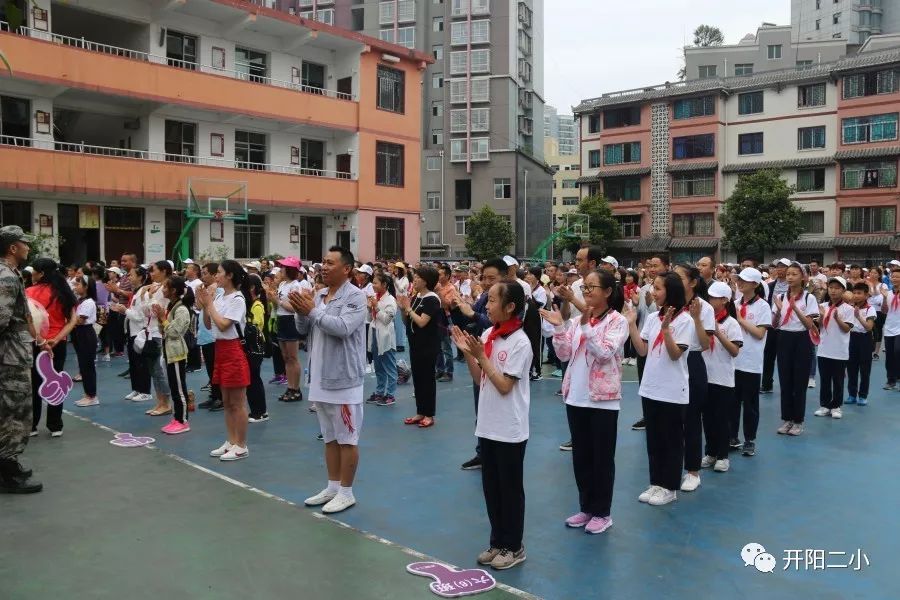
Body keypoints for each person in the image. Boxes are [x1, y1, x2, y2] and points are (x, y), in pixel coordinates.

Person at [451, 280, 531, 570]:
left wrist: (481, 356)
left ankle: (514, 546)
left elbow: (504, 385)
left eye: (493, 300)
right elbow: (479, 378)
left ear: (510, 307)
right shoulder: (489, 334)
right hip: (487, 425)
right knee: (492, 488)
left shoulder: (520, 342)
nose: (486, 305)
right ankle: (497, 541)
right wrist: (469, 354)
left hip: (509, 428)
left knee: (510, 490)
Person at [542, 270, 627, 535]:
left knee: (602, 459)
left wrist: (588, 326)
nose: (587, 291)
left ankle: (603, 512)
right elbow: (564, 353)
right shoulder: (579, 320)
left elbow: (604, 353)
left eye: (592, 287)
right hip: (576, 397)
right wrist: (559, 327)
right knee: (581, 458)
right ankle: (587, 507)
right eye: (585, 287)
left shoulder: (617, 321)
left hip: (602, 400)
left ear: (608, 292)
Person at [291, 246, 367, 514]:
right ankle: (333, 486)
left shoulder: (356, 297)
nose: (323, 266)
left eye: (329, 262)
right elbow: (305, 330)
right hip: (321, 377)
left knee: (347, 438)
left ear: (346, 269)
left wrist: (312, 311)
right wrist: (301, 312)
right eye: (322, 261)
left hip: (344, 379)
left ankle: (347, 491)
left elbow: (343, 329)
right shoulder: (319, 295)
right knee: (330, 437)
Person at [624, 272, 692, 507]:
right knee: (654, 439)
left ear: (671, 291)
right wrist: (632, 324)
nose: (653, 293)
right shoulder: (653, 317)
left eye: (659, 288)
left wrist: (666, 331)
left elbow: (675, 354)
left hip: (672, 391)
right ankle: (656, 482)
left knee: (671, 440)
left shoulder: (685, 320)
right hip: (650, 388)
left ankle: (670, 487)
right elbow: (642, 350)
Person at [450, 257, 505, 471]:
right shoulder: (484, 296)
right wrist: (459, 307)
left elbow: (500, 324)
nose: (487, 281)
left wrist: (472, 313)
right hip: (479, 352)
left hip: (497, 357)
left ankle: (494, 452)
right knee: (480, 405)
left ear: (505, 276)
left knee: (497, 404)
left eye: (492, 278)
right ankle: (483, 452)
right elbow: (473, 319)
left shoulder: (511, 298)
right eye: (484, 277)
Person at [0, 226, 44, 493]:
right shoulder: (6, 277)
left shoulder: (10, 273)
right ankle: (8, 470)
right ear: (12, 248)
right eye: (24, 243)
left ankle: (8, 464)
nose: (28, 247)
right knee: (15, 414)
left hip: (13, 353)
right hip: (10, 358)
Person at [197, 260, 251, 461]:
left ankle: (242, 445)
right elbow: (209, 323)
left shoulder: (238, 299)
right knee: (227, 402)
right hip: (220, 349)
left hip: (233, 350)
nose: (215, 276)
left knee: (237, 402)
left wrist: (209, 304)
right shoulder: (220, 296)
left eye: (219, 272)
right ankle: (231, 441)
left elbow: (223, 324)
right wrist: (205, 306)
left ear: (229, 275)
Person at [673, 264, 714, 493]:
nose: (675, 280)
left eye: (679, 277)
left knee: (691, 418)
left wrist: (697, 319)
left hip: (693, 360)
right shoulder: (671, 305)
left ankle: (692, 471)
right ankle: (669, 470)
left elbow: (706, 343)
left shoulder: (704, 307)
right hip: (671, 360)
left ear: (693, 282)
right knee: (671, 419)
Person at [26, 259, 78, 436]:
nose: (32, 274)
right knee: (55, 381)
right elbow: (72, 320)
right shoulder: (64, 292)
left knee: (34, 383)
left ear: (41, 273)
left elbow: (28, 321)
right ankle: (55, 425)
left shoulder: (28, 292)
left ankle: (32, 425)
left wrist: (40, 340)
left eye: (34, 271)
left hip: (34, 343)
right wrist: (56, 339)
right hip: (58, 343)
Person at [700, 281, 743, 473]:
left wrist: (718, 333)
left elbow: (735, 351)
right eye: (709, 297)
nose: (710, 300)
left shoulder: (731, 323)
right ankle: (710, 452)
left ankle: (723, 455)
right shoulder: (703, 319)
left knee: (721, 419)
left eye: (714, 298)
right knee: (707, 418)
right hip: (704, 376)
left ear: (725, 300)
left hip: (723, 378)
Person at [773, 262, 820, 436]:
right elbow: (774, 324)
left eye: (794, 274)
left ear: (803, 277)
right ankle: (787, 419)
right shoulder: (782, 297)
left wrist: (795, 309)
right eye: (788, 274)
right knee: (785, 381)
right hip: (784, 337)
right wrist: (779, 310)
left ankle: (798, 421)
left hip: (801, 340)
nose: (790, 277)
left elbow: (810, 325)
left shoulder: (809, 298)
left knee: (799, 383)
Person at [731, 268, 771, 457]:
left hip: (751, 363)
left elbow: (760, 333)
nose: (740, 283)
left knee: (750, 404)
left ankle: (749, 439)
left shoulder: (762, 306)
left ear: (755, 284)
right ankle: (732, 436)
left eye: (745, 281)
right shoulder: (734, 303)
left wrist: (740, 320)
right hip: (733, 361)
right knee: (732, 402)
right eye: (739, 280)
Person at [399, 266, 441, 429]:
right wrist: (404, 310)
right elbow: (408, 321)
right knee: (418, 378)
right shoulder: (416, 297)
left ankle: (429, 414)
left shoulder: (432, 299)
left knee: (427, 380)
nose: (414, 280)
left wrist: (409, 308)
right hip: (415, 343)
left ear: (426, 280)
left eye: (417, 277)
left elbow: (422, 322)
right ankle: (420, 411)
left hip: (427, 345)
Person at [631, 254, 670, 431]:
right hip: (644, 339)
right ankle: (647, 415)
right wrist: (637, 304)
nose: (651, 269)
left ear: (666, 267)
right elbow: (640, 315)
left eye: (656, 265)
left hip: (661, 341)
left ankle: (660, 415)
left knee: (660, 378)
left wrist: (650, 304)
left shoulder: (669, 289)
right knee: (644, 380)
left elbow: (663, 313)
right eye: (649, 266)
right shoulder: (644, 288)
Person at [153, 276, 194, 434]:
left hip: (177, 354)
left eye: (165, 287)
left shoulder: (182, 309)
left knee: (179, 389)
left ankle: (183, 421)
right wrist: (160, 318)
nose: (162, 290)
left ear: (174, 290)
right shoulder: (172, 305)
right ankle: (177, 417)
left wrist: (163, 319)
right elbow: (164, 329)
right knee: (174, 387)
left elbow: (175, 332)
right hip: (170, 352)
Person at [813, 277, 854, 420]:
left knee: (837, 380)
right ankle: (824, 405)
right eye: (831, 288)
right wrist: (820, 318)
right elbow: (818, 327)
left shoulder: (848, 309)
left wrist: (837, 319)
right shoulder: (823, 306)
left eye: (837, 288)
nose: (833, 291)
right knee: (824, 379)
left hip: (839, 351)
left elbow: (846, 329)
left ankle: (836, 406)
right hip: (824, 349)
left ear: (843, 290)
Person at [138, 261, 173, 417]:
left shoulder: (167, 288)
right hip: (150, 331)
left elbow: (159, 311)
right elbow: (145, 312)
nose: (151, 274)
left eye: (154, 271)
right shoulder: (155, 287)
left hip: (159, 331)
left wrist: (150, 296)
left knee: (158, 369)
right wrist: (143, 295)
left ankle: (166, 403)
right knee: (152, 369)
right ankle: (160, 402)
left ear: (164, 271)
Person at [274, 257, 309, 403]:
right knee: (285, 357)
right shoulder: (282, 284)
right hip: (281, 320)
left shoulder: (295, 286)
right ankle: (290, 387)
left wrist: (277, 301)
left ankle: (296, 389)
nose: (280, 269)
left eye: (283, 267)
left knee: (293, 357)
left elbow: (294, 308)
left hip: (290, 321)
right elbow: (279, 306)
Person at [367, 272, 398, 407]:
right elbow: (370, 319)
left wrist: (376, 307)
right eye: (373, 282)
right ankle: (379, 392)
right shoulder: (376, 297)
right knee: (378, 366)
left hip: (385, 335)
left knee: (389, 365)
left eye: (376, 283)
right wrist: (370, 308)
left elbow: (386, 320)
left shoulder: (390, 300)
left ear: (384, 285)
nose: (373, 285)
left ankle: (390, 394)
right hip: (374, 332)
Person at [761, 258, 791, 394]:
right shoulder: (770, 285)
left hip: (787, 325)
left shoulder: (793, 287)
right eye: (777, 267)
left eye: (783, 267)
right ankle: (767, 384)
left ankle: (787, 385)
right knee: (768, 355)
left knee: (785, 357)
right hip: (771, 324)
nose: (779, 269)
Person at [197, 263, 223, 411]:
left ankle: (220, 397)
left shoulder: (218, 291)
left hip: (213, 335)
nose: (203, 276)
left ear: (214, 275)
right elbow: (199, 307)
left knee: (216, 368)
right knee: (209, 368)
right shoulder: (205, 289)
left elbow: (213, 308)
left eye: (206, 273)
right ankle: (214, 395)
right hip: (204, 334)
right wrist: (198, 294)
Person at [846, 282, 876, 407]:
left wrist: (858, 317)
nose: (856, 295)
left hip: (865, 340)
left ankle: (863, 396)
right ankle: (852, 395)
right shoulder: (849, 307)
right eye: (855, 293)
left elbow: (869, 327)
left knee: (864, 370)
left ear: (866, 295)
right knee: (851, 368)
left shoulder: (870, 309)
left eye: (859, 293)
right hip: (851, 338)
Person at [72, 275, 100, 407]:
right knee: (83, 365)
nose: (76, 287)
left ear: (86, 287)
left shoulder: (89, 302)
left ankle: (92, 395)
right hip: (80, 333)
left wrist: (69, 319)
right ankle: (88, 393)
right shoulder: (81, 300)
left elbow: (80, 320)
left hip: (86, 333)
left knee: (87, 366)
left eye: (79, 284)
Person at [245, 274, 269, 422]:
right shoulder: (251, 304)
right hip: (251, 346)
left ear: (252, 288)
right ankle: (257, 410)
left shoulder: (257, 305)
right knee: (252, 379)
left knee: (254, 379)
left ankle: (260, 411)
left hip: (255, 346)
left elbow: (256, 324)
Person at [878, 267, 900, 391]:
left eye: (897, 276)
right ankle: (890, 380)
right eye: (893, 276)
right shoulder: (889, 293)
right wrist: (885, 298)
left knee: (898, 351)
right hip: (890, 327)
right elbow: (884, 311)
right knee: (890, 355)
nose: (895, 278)